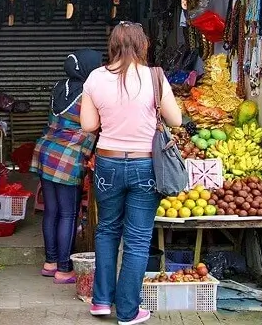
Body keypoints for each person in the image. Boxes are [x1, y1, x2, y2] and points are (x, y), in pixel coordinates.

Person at [80, 22, 182, 325]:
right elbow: (176, 119)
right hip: (145, 165)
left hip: (108, 164)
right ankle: (127, 311)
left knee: (107, 230)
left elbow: (88, 125)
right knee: (137, 240)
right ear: (143, 45)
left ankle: (101, 301)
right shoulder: (155, 77)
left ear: (112, 45)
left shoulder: (95, 77)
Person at [31, 49, 102, 284]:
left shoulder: (59, 86)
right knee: (69, 214)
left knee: (51, 210)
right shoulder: (89, 92)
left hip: (46, 150)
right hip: (68, 157)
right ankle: (64, 269)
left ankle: (50, 263)